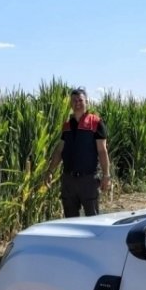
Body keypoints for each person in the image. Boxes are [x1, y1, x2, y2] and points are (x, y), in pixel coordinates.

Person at [44, 88, 111, 217]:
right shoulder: (67, 125)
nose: (77, 103)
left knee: (93, 220)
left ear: (87, 102)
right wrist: (50, 170)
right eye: (74, 100)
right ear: (70, 104)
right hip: (68, 180)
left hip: (88, 179)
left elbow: (102, 151)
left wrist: (106, 175)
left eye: (80, 100)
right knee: (71, 221)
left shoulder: (96, 123)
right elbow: (60, 150)